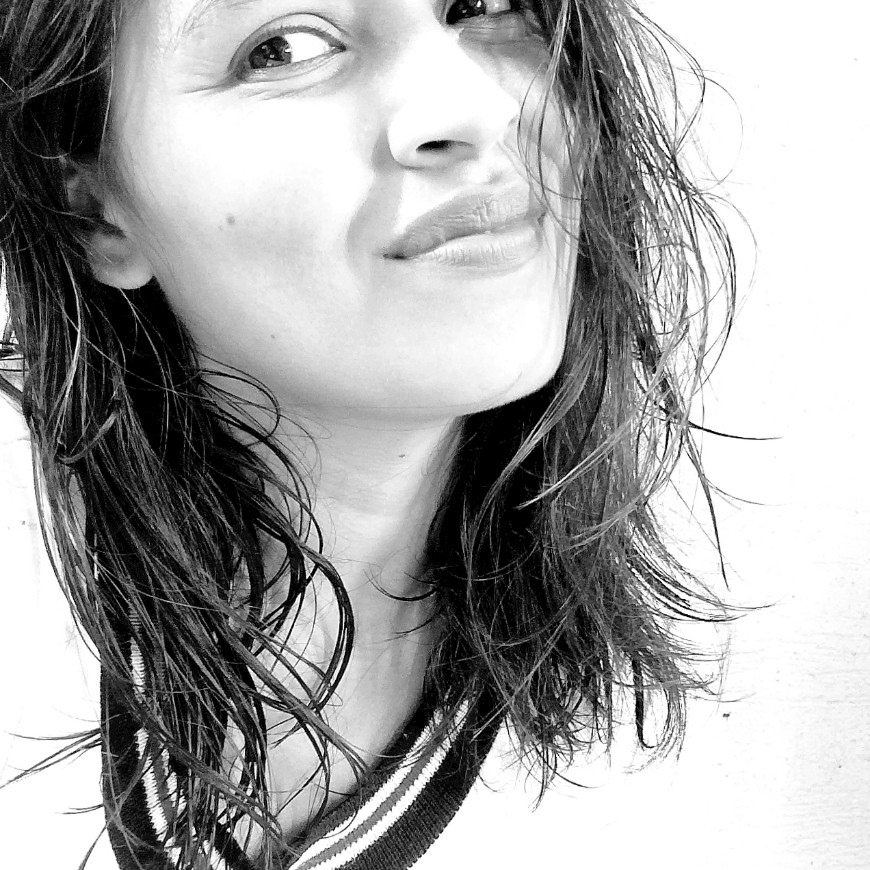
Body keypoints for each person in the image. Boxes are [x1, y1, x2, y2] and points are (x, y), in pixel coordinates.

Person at [0, 0, 736, 867]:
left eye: (484, 4)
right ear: (91, 210)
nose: (474, 109)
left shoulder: (753, 726)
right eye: (281, 48)